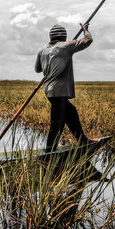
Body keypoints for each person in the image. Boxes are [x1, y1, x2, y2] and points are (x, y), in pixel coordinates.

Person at [35, 23, 93, 152]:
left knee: (71, 113)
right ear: (64, 36)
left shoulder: (42, 50)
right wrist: (85, 30)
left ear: (51, 36)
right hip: (59, 91)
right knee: (57, 124)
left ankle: (83, 141)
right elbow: (88, 40)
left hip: (49, 91)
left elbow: (38, 69)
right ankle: (49, 152)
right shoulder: (66, 46)